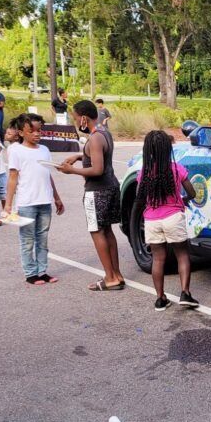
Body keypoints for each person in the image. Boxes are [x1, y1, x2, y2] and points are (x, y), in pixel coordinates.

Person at [57, 100, 124, 291]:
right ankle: (117, 274)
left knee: (97, 231)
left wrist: (72, 170)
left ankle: (110, 278)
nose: (76, 122)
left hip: (97, 192)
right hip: (111, 187)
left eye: (76, 118)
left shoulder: (94, 138)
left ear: (84, 118)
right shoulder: (105, 133)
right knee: (107, 230)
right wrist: (80, 156)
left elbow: (97, 169)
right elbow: (99, 156)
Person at [136, 130, 199, 312]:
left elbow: (141, 196)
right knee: (182, 254)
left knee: (158, 259)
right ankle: (185, 293)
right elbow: (192, 192)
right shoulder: (176, 168)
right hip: (173, 216)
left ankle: (160, 298)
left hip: (152, 220)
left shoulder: (143, 172)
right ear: (168, 148)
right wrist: (184, 199)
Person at [4, 113, 65, 284]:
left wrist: (57, 198)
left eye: (39, 130)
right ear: (22, 133)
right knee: (27, 240)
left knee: (43, 239)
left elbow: (47, 175)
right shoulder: (16, 150)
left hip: (45, 201)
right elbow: (13, 178)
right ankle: (31, 273)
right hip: (27, 203)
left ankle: (42, 271)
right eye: (32, 131)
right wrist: (8, 204)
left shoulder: (44, 150)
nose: (37, 134)